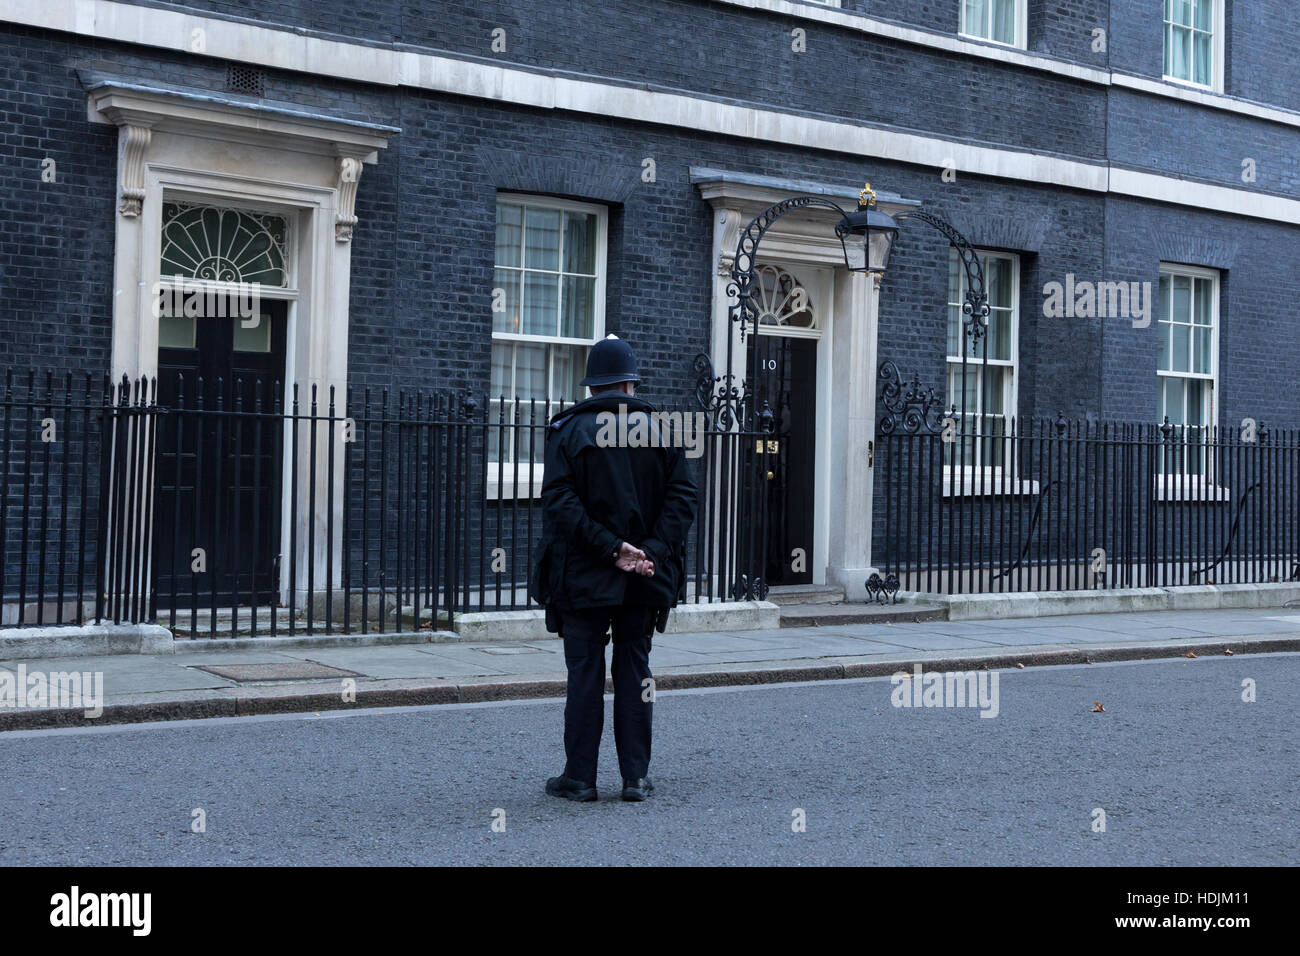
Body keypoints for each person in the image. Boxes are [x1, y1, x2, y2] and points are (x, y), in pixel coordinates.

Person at [531, 334, 697, 802]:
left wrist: (611, 549)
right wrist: (648, 553)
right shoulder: (662, 429)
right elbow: (683, 499)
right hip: (643, 579)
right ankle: (635, 778)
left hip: (584, 575)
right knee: (635, 672)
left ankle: (580, 778)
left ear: (591, 388)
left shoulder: (567, 430)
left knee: (583, 673)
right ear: (630, 384)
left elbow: (559, 504)